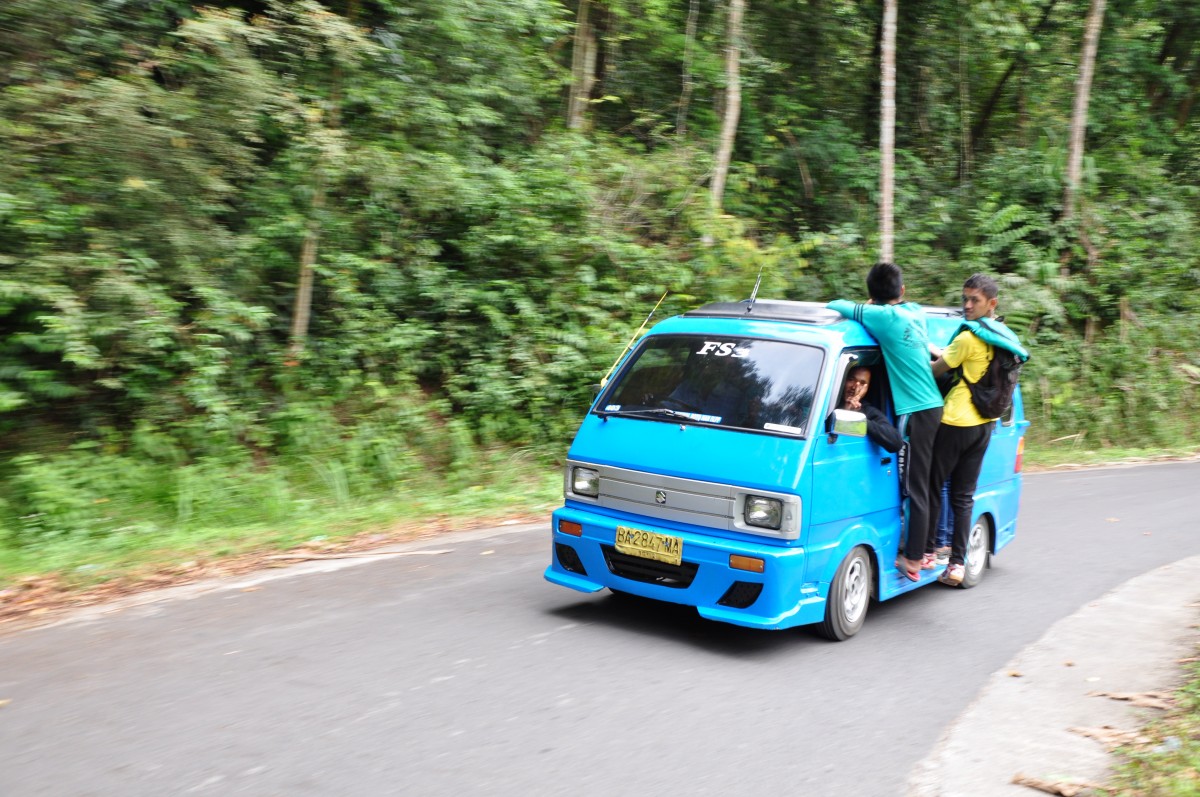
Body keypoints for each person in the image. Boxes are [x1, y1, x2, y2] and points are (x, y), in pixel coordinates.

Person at [828, 263, 944, 582]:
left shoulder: (880, 317)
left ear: (870, 294)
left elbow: (835, 306)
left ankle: (914, 559)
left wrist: (864, 307)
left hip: (917, 409)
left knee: (915, 486)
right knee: (927, 482)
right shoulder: (916, 311)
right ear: (902, 291)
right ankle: (929, 548)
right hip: (933, 405)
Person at [926, 273, 1003, 585]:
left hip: (956, 421)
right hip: (985, 424)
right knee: (963, 496)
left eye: (975, 300)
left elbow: (936, 368)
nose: (968, 305)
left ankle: (931, 548)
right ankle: (957, 563)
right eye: (965, 298)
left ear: (991, 303)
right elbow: (957, 358)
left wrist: (922, 354)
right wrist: (940, 350)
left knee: (932, 485)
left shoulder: (968, 338)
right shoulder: (1001, 334)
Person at [839, 366, 902, 453]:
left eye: (862, 383)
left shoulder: (868, 412)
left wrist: (859, 420)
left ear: (867, 389)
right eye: (851, 379)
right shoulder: (826, 403)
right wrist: (846, 410)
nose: (854, 387)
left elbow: (896, 443)